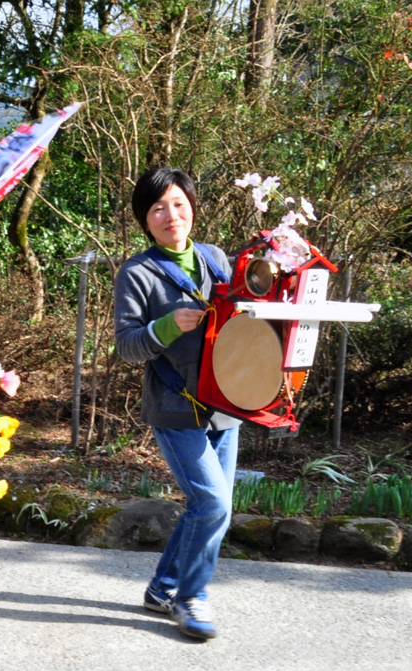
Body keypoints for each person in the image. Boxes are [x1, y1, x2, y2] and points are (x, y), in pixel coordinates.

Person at [113, 167, 240, 641]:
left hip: (226, 402)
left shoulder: (215, 259)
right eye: (159, 208)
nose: (172, 215)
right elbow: (127, 346)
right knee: (212, 503)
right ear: (145, 220)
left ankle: (163, 587)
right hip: (174, 404)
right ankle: (190, 597)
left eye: (179, 204)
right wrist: (167, 326)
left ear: (192, 207)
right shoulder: (137, 273)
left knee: (210, 507)